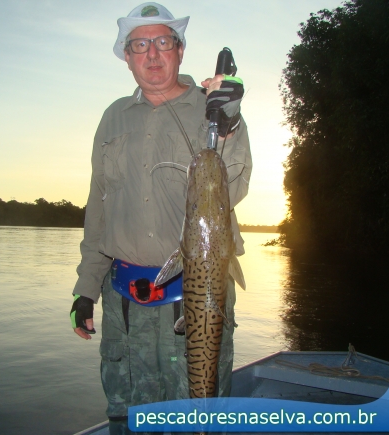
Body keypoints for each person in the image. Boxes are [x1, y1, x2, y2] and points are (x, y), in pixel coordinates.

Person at [70, 2, 252, 433]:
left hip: (195, 300)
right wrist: (85, 289)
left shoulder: (213, 108)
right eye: (139, 45)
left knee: (199, 417)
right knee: (128, 417)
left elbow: (234, 184)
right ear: (127, 56)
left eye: (163, 42)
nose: (152, 53)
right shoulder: (112, 117)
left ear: (180, 50)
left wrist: (229, 123)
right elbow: (99, 208)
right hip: (123, 303)